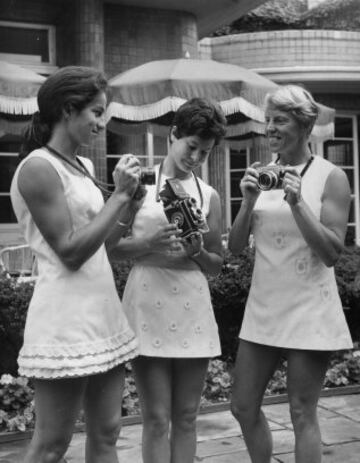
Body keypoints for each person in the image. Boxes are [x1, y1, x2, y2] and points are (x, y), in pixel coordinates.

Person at [10, 66, 142, 463]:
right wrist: (118, 197)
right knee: (52, 445)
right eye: (97, 112)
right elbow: (70, 252)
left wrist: (130, 204)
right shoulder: (38, 167)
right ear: (69, 109)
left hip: (102, 313)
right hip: (65, 321)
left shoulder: (80, 167)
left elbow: (106, 245)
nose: (103, 123)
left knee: (107, 433)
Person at [228, 85, 353, 463]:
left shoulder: (331, 177)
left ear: (304, 124)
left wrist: (298, 203)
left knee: (301, 412)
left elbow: (332, 253)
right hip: (263, 307)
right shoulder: (262, 175)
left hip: (309, 309)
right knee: (242, 406)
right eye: (268, 119)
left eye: (279, 120)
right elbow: (235, 247)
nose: (270, 127)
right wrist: (248, 201)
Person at [107, 97, 227, 463]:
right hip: (147, 301)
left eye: (204, 153)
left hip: (192, 303)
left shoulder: (209, 195)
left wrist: (197, 253)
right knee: (157, 418)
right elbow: (110, 248)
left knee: (188, 416)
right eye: (191, 147)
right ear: (173, 134)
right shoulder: (138, 187)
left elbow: (217, 264)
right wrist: (147, 243)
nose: (195, 158)